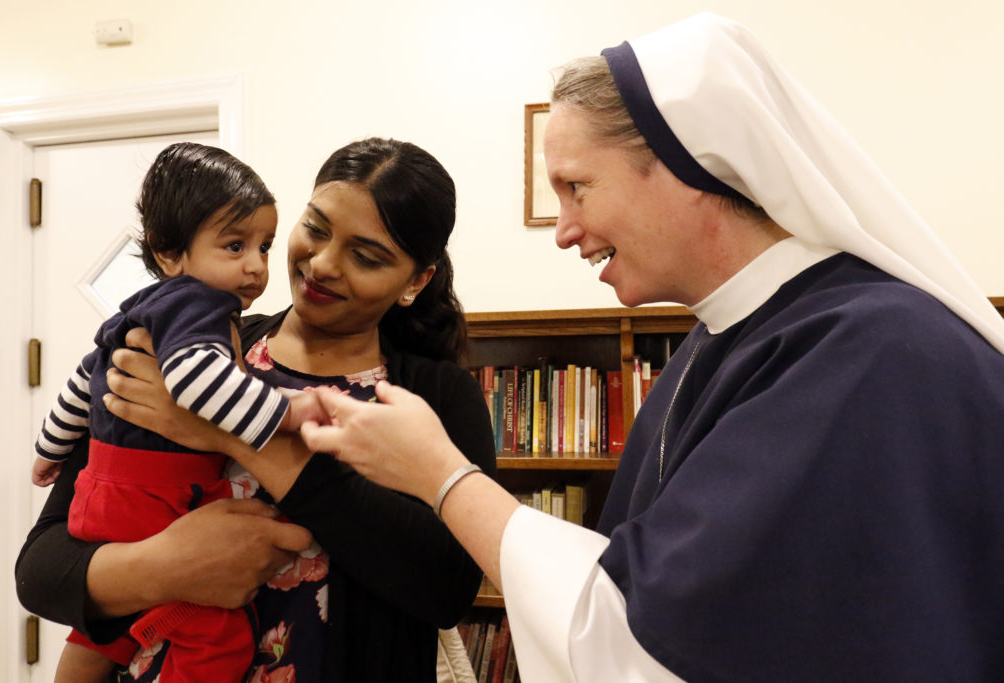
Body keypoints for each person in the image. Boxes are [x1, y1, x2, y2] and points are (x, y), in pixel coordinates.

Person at [297, 13, 1004, 683]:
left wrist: (441, 475)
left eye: (577, 187)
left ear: (692, 165)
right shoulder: (723, 339)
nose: (564, 230)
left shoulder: (872, 351)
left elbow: (651, 644)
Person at [16, 137, 496, 682]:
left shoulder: (437, 396)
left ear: (416, 280)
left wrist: (230, 436)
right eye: (315, 228)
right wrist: (167, 566)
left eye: (365, 256)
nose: (322, 264)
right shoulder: (192, 349)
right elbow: (40, 570)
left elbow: (447, 588)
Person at [31, 141, 327, 683]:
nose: (256, 267)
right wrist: (289, 412)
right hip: (152, 494)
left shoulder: (144, 305)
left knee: (114, 623)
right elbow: (197, 384)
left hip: (101, 494)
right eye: (234, 246)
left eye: (263, 246)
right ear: (170, 254)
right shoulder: (200, 307)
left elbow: (86, 378)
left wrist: (49, 449)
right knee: (218, 635)